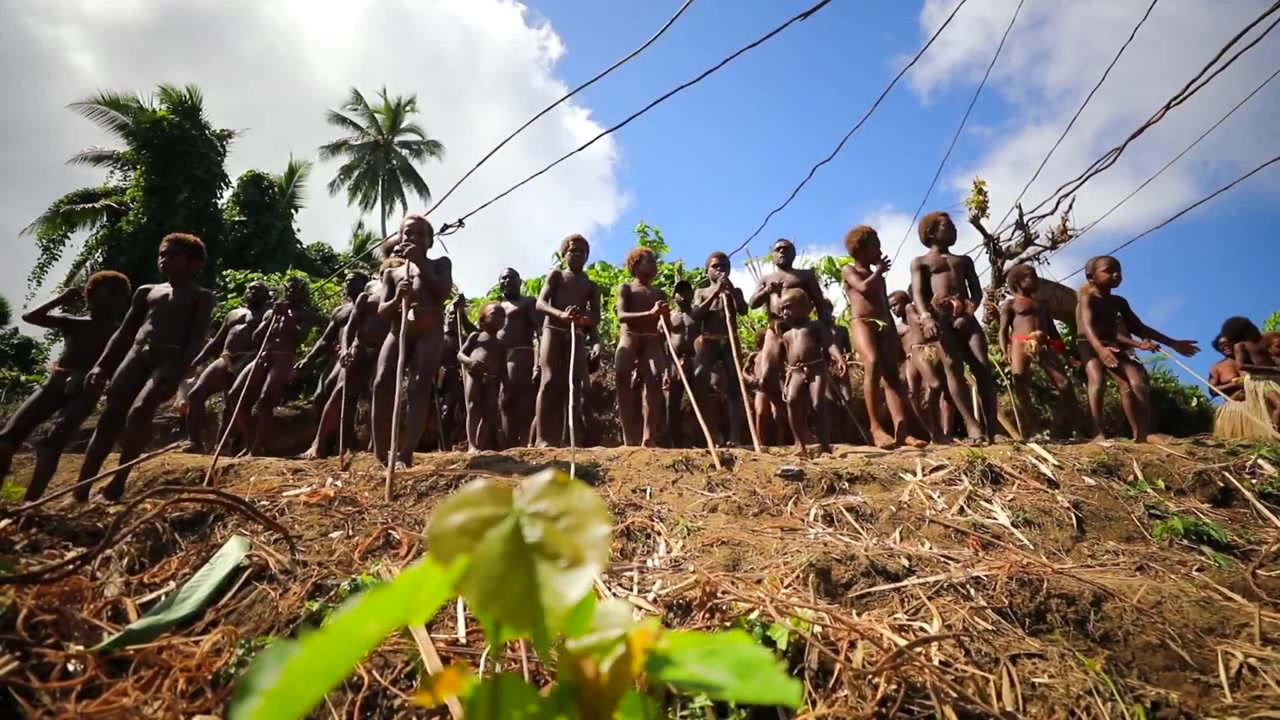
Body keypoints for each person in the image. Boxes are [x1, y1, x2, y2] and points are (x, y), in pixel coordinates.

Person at [74, 234, 215, 502]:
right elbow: (125, 333)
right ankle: (81, 488)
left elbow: (197, 337)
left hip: (170, 359)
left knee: (140, 413)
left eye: (173, 255)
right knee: (110, 418)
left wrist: (181, 370)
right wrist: (101, 366)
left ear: (195, 263)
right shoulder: (147, 291)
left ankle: (117, 483)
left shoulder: (201, 297)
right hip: (138, 355)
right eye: (162, 254)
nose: (164, 260)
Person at [0, 272, 131, 501]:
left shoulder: (121, 333)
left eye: (119, 294)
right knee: (7, 439)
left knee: (53, 443)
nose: (113, 300)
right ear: (89, 296)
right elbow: (31, 316)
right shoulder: (73, 322)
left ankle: (29, 504)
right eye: (107, 293)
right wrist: (62, 298)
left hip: (86, 391)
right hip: (55, 384)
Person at [1076, 255, 1198, 443]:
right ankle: (1097, 432)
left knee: (1136, 381)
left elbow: (1138, 327)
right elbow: (1088, 326)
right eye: (1109, 270)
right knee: (1097, 380)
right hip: (1089, 343)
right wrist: (1100, 350)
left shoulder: (1119, 302)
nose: (1116, 274)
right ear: (1091, 277)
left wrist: (1172, 343)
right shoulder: (1087, 299)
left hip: (1110, 344)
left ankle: (1143, 432)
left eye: (1119, 271)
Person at [909, 211, 999, 442]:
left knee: (982, 368)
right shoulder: (921, 262)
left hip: (967, 320)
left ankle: (992, 428)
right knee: (953, 369)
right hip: (940, 320)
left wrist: (967, 314)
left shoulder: (963, 261)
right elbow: (919, 295)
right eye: (948, 227)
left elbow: (976, 293)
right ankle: (972, 426)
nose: (955, 231)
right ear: (931, 233)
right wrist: (927, 318)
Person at [373, 214, 452, 468]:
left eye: (420, 235)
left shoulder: (440, 264)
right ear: (400, 238)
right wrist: (398, 300)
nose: (413, 238)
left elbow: (442, 292)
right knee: (382, 383)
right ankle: (381, 452)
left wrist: (421, 265)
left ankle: (406, 453)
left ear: (430, 242)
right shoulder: (392, 274)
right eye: (408, 234)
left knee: (419, 387)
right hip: (399, 332)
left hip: (429, 332)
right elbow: (383, 311)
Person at [841, 226, 927, 449]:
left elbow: (881, 301)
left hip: (885, 325)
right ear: (860, 249)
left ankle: (902, 431)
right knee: (872, 363)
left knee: (892, 377)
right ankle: (875, 428)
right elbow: (863, 289)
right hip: (863, 323)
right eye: (875, 246)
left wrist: (892, 334)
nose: (880, 249)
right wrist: (878, 271)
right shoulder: (849, 270)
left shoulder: (876, 275)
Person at [749, 239, 835, 445]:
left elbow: (820, 304)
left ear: (794, 253)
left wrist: (826, 336)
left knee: (803, 380)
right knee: (767, 376)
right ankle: (782, 409)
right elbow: (752, 304)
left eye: (786, 249)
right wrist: (766, 291)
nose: (782, 252)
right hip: (775, 329)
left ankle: (803, 433)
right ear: (772, 254)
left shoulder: (804, 276)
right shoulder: (767, 278)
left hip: (801, 330)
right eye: (778, 249)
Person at [225, 277, 317, 456]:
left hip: (284, 357)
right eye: (289, 289)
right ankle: (250, 442)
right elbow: (256, 337)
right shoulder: (270, 312)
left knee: (265, 401)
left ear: (303, 293)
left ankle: (258, 447)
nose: (291, 292)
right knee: (235, 395)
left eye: (296, 290)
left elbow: (299, 338)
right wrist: (272, 319)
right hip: (263, 355)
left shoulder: (305, 314)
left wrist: (286, 318)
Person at [302, 275, 391, 458]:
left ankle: (374, 444)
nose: (348, 284)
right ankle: (319, 443)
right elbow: (348, 328)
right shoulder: (370, 290)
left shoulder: (404, 286)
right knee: (339, 391)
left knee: (379, 392)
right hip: (359, 347)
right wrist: (345, 350)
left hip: (384, 349)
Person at [182, 281, 271, 451]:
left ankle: (224, 445)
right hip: (226, 358)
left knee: (233, 403)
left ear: (267, 296)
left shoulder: (270, 315)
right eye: (250, 288)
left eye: (258, 290)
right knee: (196, 394)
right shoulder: (233, 313)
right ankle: (194, 441)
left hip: (251, 359)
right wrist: (198, 360)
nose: (252, 292)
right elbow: (217, 341)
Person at [997, 263, 1082, 439]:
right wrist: (1005, 351)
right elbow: (1003, 331)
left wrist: (1066, 355)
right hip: (1020, 344)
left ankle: (1074, 427)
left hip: (1044, 344)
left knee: (1064, 384)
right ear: (1018, 282)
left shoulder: (1042, 305)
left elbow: (1053, 332)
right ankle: (1033, 427)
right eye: (1031, 277)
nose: (1036, 281)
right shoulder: (1010, 305)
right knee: (1020, 382)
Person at [533, 234, 601, 448]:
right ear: (564, 254)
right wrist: (561, 315)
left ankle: (571, 438)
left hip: (576, 334)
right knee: (549, 380)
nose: (577, 255)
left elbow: (596, 317)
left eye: (582, 251)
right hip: (553, 329)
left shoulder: (591, 286)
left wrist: (583, 319)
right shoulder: (556, 276)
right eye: (573, 251)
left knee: (574, 385)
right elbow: (540, 304)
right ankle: (542, 438)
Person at [776, 289, 846, 454]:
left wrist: (839, 358)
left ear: (803, 307)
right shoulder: (786, 335)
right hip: (795, 372)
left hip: (816, 368)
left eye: (788, 307)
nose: (784, 312)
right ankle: (799, 443)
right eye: (782, 310)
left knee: (818, 404)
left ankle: (825, 445)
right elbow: (782, 359)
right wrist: (784, 379)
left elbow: (829, 344)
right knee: (792, 401)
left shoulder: (815, 326)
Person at [691, 252, 748, 446]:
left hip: (729, 343)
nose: (721, 269)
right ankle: (712, 432)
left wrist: (731, 293)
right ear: (707, 271)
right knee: (699, 377)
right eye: (716, 266)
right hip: (709, 343)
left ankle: (735, 437)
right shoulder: (702, 292)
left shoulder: (735, 291)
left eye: (724, 266)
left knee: (734, 387)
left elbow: (743, 310)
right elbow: (696, 315)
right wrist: (715, 293)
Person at [296, 272, 370, 420]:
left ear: (365, 285)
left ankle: (346, 436)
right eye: (347, 281)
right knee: (320, 394)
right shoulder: (340, 310)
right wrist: (309, 359)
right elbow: (325, 339)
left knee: (335, 388)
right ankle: (327, 435)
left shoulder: (372, 306)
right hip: (339, 356)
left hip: (360, 354)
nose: (348, 284)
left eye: (353, 281)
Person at [615, 247, 669, 447]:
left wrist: (663, 319)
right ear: (636, 264)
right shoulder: (626, 288)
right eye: (651, 261)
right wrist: (651, 314)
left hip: (651, 338)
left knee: (655, 379)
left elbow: (667, 325)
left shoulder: (659, 292)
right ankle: (628, 436)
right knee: (622, 373)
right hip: (630, 335)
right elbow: (622, 317)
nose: (655, 265)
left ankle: (648, 436)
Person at [496, 268, 539, 448]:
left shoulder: (527, 302)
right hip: (498, 357)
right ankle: (510, 445)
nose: (507, 281)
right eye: (503, 279)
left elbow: (539, 333)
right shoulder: (496, 306)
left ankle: (527, 443)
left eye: (511, 278)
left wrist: (537, 363)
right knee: (504, 402)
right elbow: (480, 333)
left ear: (520, 281)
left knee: (520, 399)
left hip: (520, 354)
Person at [458, 302, 508, 452]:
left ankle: (479, 444)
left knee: (489, 412)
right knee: (473, 408)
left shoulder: (501, 344)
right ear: (482, 318)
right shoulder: (476, 337)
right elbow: (460, 354)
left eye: (503, 316)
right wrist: (469, 362)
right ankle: (471, 445)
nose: (500, 318)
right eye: (494, 314)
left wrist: (504, 384)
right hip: (474, 376)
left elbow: (502, 367)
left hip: (492, 380)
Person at [666, 280, 699, 447]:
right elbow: (661, 340)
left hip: (695, 360)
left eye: (687, 292)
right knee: (673, 403)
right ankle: (675, 442)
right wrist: (667, 369)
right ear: (674, 296)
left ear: (692, 295)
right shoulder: (669, 316)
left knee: (699, 401)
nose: (684, 296)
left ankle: (700, 441)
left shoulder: (698, 314)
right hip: (674, 362)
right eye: (680, 292)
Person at [1208, 336, 1245, 402]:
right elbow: (1212, 391)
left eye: (1228, 342)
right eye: (1221, 344)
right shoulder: (1217, 367)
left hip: (1259, 400)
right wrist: (1233, 385)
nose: (1226, 345)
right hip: (1236, 406)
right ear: (1219, 348)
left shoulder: (1250, 359)